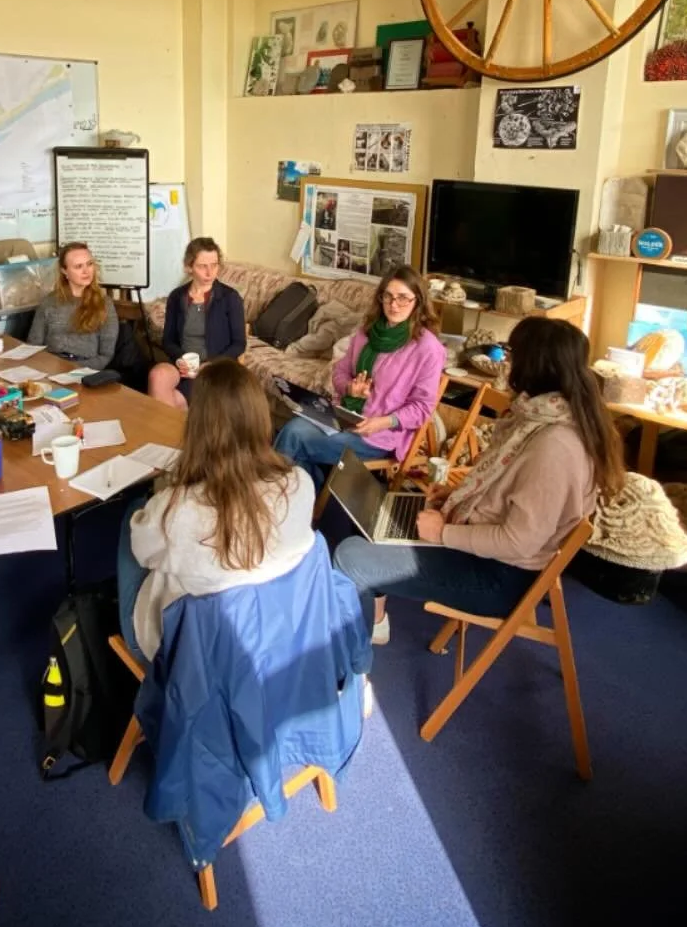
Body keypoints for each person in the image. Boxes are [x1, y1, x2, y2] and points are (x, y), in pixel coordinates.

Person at [334, 317, 625, 645]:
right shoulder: (542, 417)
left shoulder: (554, 446)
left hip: (498, 577)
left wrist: (442, 532)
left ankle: (354, 663)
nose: (506, 362)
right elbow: (508, 492)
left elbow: (520, 543)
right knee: (373, 519)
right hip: (484, 551)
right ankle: (375, 623)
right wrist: (457, 496)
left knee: (350, 556)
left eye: (511, 353)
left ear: (534, 364)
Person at [118, 359, 316, 660]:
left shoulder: (180, 510)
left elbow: (144, 552)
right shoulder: (300, 483)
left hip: (187, 656)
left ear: (198, 426)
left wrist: (159, 500)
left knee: (134, 515)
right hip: (274, 633)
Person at [275, 265, 445, 492]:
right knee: (295, 425)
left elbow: (422, 407)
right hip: (344, 417)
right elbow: (339, 372)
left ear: (419, 302)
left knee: (294, 435)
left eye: (403, 298)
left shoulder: (428, 349)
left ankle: (271, 499)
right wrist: (349, 388)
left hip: (378, 435)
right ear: (380, 298)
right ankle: (305, 497)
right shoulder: (366, 332)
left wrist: (383, 422)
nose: (394, 305)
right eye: (388, 297)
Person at [148, 237, 246, 410]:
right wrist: (180, 359)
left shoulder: (230, 298)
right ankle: (170, 430)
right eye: (202, 266)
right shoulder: (177, 297)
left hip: (215, 369)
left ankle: (167, 432)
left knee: (172, 403)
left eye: (214, 265)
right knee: (158, 374)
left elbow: (239, 344)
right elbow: (168, 341)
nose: (210, 272)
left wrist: (209, 365)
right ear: (189, 267)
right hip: (185, 368)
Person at [27, 242, 118, 370]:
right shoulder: (49, 302)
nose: (86, 271)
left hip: (85, 370)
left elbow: (105, 355)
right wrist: (49, 368)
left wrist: (73, 370)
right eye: (78, 266)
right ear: (64, 271)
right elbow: (33, 345)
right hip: (52, 366)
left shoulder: (104, 304)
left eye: (89, 264)